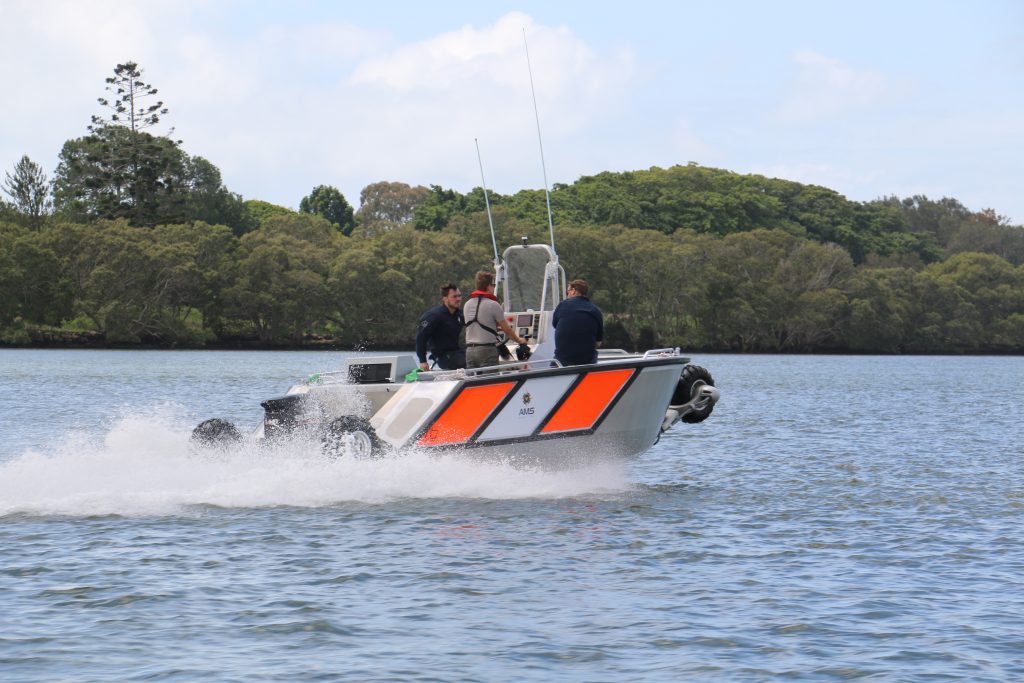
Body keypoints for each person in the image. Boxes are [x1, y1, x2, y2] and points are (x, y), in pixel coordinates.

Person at [463, 271, 527, 369]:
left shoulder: (467, 305)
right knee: (489, 382)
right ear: (488, 286)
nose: (493, 288)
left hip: (470, 351)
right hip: (487, 351)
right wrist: (519, 340)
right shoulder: (493, 305)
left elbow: (477, 326)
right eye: (493, 285)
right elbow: (507, 330)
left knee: (474, 382)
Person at [552, 279, 603, 366]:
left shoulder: (562, 305)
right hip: (587, 362)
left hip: (563, 362)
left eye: (568, 292)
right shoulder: (595, 310)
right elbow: (598, 342)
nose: (567, 295)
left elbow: (555, 325)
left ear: (574, 291)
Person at [415, 283, 466, 371]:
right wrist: (422, 361)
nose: (458, 299)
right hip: (443, 357)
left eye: (459, 296)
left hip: (457, 353)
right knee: (470, 360)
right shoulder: (433, 316)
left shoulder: (459, 314)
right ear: (445, 298)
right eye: (454, 296)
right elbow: (421, 338)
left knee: (478, 357)